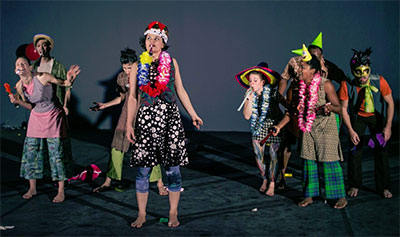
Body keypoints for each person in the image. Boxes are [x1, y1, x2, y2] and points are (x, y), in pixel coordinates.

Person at [125, 21, 203, 228]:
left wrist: (193, 114)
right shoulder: (137, 65)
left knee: (173, 170)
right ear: (145, 41)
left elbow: (181, 90)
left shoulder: (172, 62)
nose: (152, 42)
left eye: (157, 39)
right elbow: (133, 98)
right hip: (145, 119)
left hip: (170, 119)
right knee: (143, 170)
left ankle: (173, 213)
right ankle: (141, 214)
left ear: (163, 43)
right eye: (149, 38)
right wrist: (129, 125)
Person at [274, 45, 347, 209]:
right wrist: (279, 126)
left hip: (326, 125)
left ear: (313, 70)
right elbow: (292, 111)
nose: (299, 70)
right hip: (307, 126)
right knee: (307, 160)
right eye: (300, 67)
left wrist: (327, 108)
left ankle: (339, 196)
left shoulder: (325, 85)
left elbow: (340, 108)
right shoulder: (299, 87)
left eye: (303, 67)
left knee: (329, 161)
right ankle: (309, 195)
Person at [91, 48, 167, 194]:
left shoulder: (145, 75)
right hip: (127, 115)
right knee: (116, 147)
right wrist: (105, 105)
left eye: (130, 67)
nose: (127, 70)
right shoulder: (121, 78)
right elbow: (122, 97)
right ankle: (108, 181)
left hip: (144, 115)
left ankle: (159, 184)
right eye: (125, 68)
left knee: (150, 149)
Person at [8, 56, 80, 203]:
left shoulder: (43, 77)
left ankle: (60, 190)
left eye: (23, 63)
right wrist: (18, 101)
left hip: (53, 116)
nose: (20, 65)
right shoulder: (19, 86)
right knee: (31, 153)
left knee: (56, 154)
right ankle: (32, 187)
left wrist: (70, 78)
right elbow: (32, 107)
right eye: (17, 64)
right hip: (36, 117)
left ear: (29, 67)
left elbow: (64, 83)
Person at [338, 48, 394, 199]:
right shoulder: (347, 84)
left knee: (381, 149)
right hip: (358, 116)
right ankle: (354, 184)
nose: (363, 77)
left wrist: (388, 126)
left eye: (366, 72)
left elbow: (390, 103)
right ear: (353, 71)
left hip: (376, 116)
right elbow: (344, 109)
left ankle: (384, 186)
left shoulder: (379, 81)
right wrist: (350, 130)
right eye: (358, 72)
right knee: (355, 149)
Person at [236, 62, 283, 196]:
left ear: (262, 82)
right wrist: (249, 100)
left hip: (273, 125)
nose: (252, 83)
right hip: (258, 126)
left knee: (274, 156)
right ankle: (264, 178)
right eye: (250, 81)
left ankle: (272, 182)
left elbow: (283, 107)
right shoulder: (249, 95)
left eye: (255, 80)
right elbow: (246, 116)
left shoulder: (272, 94)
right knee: (258, 155)